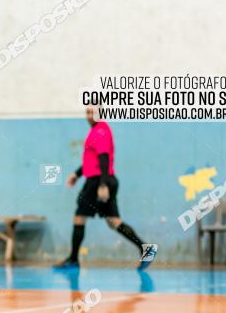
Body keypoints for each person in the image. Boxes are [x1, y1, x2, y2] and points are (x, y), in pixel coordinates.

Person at [55, 106, 154, 270]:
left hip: (97, 181)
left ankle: (73, 259)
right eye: (87, 112)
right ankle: (145, 248)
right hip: (104, 179)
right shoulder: (99, 130)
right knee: (114, 222)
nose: (89, 115)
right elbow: (92, 160)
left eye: (92, 112)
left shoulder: (100, 131)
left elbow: (103, 159)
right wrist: (77, 174)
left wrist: (102, 185)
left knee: (79, 217)